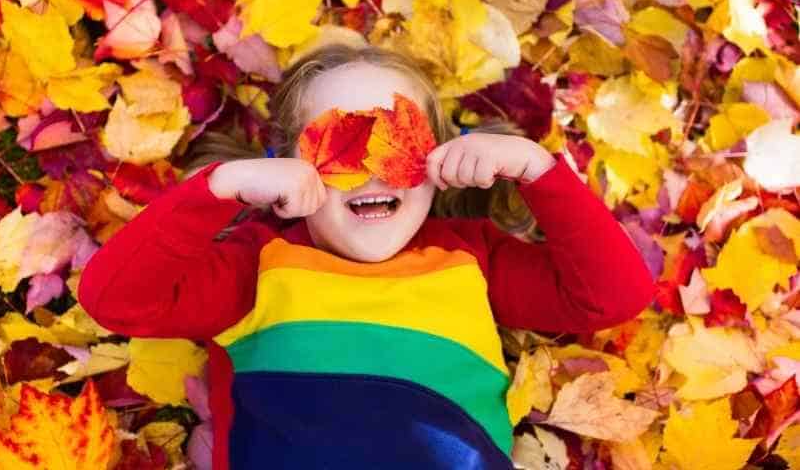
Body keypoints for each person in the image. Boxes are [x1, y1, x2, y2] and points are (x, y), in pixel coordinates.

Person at [78, 43, 655, 470]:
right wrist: (219, 188)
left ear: (438, 161)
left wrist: (539, 172)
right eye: (342, 147)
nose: (374, 170)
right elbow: (115, 300)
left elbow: (614, 296)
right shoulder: (259, 266)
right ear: (286, 167)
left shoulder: (472, 257)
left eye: (398, 141)